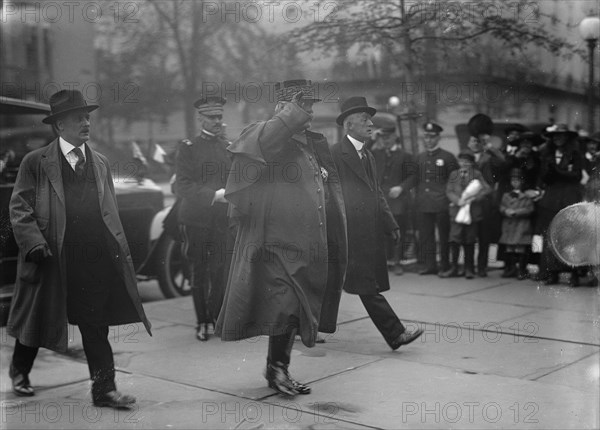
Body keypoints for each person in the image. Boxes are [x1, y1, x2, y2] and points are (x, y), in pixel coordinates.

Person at [7, 89, 151, 407]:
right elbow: (19, 208)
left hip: (93, 261)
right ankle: (19, 369)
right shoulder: (36, 162)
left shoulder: (98, 163)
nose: (86, 123)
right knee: (38, 318)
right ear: (59, 126)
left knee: (94, 324)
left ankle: (104, 389)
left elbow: (108, 211)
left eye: (87, 117)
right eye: (78, 118)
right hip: (50, 257)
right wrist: (34, 244)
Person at [215, 80, 348, 396]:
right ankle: (277, 370)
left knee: (294, 309)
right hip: (275, 245)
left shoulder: (309, 143)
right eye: (304, 107)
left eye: (312, 107)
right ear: (284, 109)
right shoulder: (267, 134)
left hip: (305, 245)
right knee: (287, 307)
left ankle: (278, 368)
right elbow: (265, 143)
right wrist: (291, 113)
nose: (310, 114)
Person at [330, 96, 423, 350]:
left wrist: (390, 223)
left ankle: (302, 327)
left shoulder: (367, 155)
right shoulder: (335, 154)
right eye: (365, 120)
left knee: (350, 284)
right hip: (345, 232)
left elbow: (376, 194)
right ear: (349, 126)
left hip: (364, 233)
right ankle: (395, 333)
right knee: (360, 285)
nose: (371, 124)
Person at [175, 95, 232, 341]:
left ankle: (217, 318)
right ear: (200, 119)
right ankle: (203, 322)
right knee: (198, 271)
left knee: (220, 271)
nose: (217, 121)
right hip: (196, 219)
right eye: (212, 117)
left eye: (219, 116)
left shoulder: (227, 146)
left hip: (221, 220)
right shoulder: (188, 147)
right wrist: (214, 195)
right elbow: (183, 185)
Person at [403, 122, 458, 275]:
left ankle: (445, 265)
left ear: (438, 138)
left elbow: (454, 180)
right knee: (426, 236)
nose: (428, 140)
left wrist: (451, 199)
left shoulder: (448, 157)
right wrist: (402, 188)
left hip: (442, 203)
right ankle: (430, 265)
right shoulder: (419, 157)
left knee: (444, 236)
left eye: (432, 137)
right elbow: (414, 179)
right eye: (426, 137)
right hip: (423, 202)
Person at [534, 124, 584, 286]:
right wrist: (548, 174)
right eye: (555, 136)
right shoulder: (548, 155)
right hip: (552, 196)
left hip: (569, 196)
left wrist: (558, 172)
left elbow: (576, 176)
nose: (558, 139)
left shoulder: (575, 155)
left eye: (561, 136)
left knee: (570, 236)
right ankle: (551, 273)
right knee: (550, 236)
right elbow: (544, 177)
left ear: (568, 138)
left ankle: (574, 274)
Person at [370, 116, 414, 276]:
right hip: (380, 199)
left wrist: (401, 187)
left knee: (396, 230)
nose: (386, 141)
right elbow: (360, 154)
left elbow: (413, 176)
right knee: (379, 231)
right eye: (383, 137)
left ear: (395, 136)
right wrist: (371, 138)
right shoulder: (376, 153)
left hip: (397, 200)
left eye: (388, 137)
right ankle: (384, 261)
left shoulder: (405, 155)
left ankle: (396, 262)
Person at [466, 120, 508, 277]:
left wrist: (489, 146)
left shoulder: (489, 157)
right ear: (468, 142)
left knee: (484, 236)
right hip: (468, 202)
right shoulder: (464, 157)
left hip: (484, 202)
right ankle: (468, 267)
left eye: (478, 141)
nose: (475, 143)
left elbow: (502, 161)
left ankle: (481, 267)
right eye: (473, 140)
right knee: (469, 237)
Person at [441, 150, 492, 279]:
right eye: (461, 161)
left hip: (472, 212)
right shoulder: (454, 174)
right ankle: (454, 268)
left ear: (472, 164)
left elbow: (487, 189)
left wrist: (474, 198)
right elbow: (449, 191)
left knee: (470, 239)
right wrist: (458, 201)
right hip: (456, 212)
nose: (464, 164)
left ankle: (469, 268)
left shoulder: (477, 174)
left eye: (467, 162)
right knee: (455, 238)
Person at [498, 168, 536, 280]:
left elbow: (530, 209)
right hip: (509, 224)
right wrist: (506, 211)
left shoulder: (527, 196)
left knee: (520, 247)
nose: (515, 182)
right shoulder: (506, 195)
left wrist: (517, 212)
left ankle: (522, 270)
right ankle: (510, 268)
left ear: (522, 182)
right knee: (509, 247)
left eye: (518, 180)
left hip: (521, 225)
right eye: (513, 180)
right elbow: (502, 206)